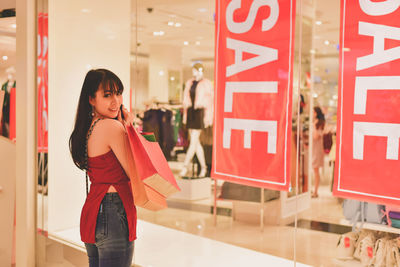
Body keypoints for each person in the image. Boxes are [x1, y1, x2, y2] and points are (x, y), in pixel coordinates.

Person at [69, 69, 140, 267]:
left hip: (93, 210)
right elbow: (134, 170)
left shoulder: (89, 126)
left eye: (118, 93)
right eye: (107, 95)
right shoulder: (112, 127)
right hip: (113, 210)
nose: (115, 101)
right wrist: (129, 127)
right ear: (91, 99)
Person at [180, 62, 213, 177]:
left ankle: (185, 166)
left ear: (200, 70)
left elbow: (209, 103)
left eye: (195, 70)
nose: (193, 72)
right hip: (190, 113)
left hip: (199, 113)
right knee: (196, 144)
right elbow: (186, 98)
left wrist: (208, 118)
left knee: (193, 142)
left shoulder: (206, 84)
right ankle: (204, 168)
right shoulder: (189, 83)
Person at [311, 106, 325, 198]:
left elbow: (316, 136)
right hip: (313, 149)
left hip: (317, 150)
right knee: (314, 170)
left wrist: (312, 128)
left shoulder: (319, 123)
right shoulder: (315, 123)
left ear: (316, 113)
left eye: (313, 112)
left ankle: (316, 191)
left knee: (316, 171)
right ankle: (314, 190)